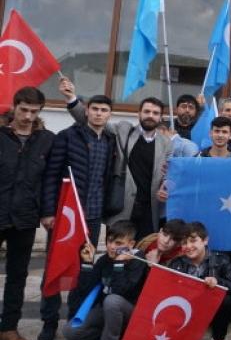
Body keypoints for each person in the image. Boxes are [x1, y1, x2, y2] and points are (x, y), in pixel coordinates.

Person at [40, 94, 117, 340]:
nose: (98, 113)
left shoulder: (109, 140)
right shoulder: (67, 137)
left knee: (83, 269)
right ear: (87, 111)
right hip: (66, 216)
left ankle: (74, 317)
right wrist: (48, 211)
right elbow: (51, 176)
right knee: (55, 266)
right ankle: (48, 323)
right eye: (94, 109)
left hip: (93, 217)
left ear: (109, 115)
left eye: (104, 110)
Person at [60, 77, 172, 241]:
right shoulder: (123, 130)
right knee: (116, 254)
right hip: (121, 207)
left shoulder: (166, 144)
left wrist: (166, 185)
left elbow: (169, 172)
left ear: (161, 117)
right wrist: (71, 99)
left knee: (143, 257)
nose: (150, 116)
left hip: (149, 210)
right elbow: (90, 120)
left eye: (155, 113)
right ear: (139, 113)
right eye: (147, 111)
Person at [0, 87, 55, 340]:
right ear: (15, 107)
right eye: (24, 109)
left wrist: (47, 211)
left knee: (17, 275)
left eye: (34, 111)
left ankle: (9, 328)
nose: (28, 116)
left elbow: (49, 180)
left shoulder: (47, 140)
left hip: (25, 216)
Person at [62, 221, 148, 340]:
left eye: (118, 243)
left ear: (131, 244)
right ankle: (100, 338)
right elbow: (86, 290)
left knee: (112, 300)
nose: (112, 247)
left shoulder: (138, 260)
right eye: (109, 241)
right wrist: (87, 264)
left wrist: (119, 264)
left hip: (131, 311)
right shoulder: (104, 260)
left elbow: (121, 291)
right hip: (106, 310)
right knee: (70, 331)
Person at [168, 222, 231, 340]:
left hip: (211, 309)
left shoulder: (221, 260)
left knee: (225, 300)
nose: (188, 246)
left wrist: (217, 282)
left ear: (205, 241)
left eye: (193, 241)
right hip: (185, 309)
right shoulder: (176, 263)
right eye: (184, 243)